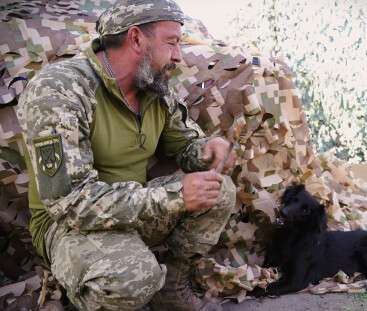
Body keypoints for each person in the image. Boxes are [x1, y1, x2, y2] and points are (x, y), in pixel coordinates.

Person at [17, 1, 237, 310]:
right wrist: (174, 196)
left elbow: (185, 146)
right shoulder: (60, 90)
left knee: (220, 191)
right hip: (69, 227)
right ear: (136, 39)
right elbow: (71, 203)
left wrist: (207, 151)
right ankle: (99, 287)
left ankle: (170, 288)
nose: (178, 55)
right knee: (132, 278)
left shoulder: (153, 87)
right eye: (172, 42)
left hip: (134, 209)